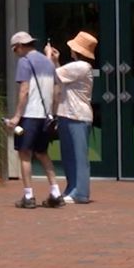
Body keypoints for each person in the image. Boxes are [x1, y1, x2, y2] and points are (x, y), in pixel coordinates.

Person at [5, 31, 63, 209]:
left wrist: (16, 116)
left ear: (20, 47)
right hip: (45, 116)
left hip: (30, 115)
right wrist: (52, 113)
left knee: (24, 154)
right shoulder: (48, 62)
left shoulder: (25, 62)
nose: (15, 53)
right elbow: (57, 90)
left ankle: (28, 196)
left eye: (14, 50)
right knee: (42, 153)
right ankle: (55, 192)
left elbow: (24, 90)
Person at [49, 31, 97, 205]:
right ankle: (72, 189)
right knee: (69, 156)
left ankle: (80, 192)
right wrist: (55, 60)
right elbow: (61, 75)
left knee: (78, 156)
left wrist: (49, 57)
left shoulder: (81, 66)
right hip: (68, 113)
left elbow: (53, 74)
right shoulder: (76, 67)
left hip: (77, 115)